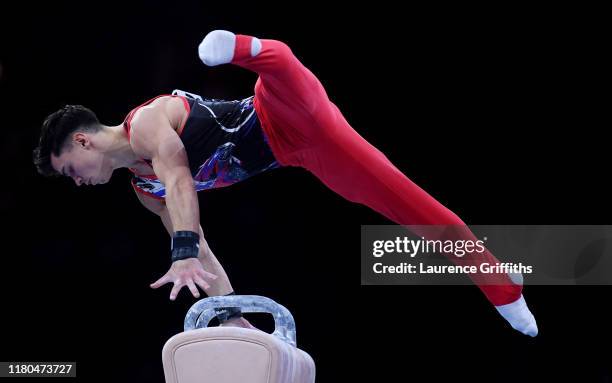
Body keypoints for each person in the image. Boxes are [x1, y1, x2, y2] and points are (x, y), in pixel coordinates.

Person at [33, 30, 537, 336]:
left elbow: (181, 178)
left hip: (282, 111)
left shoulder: (143, 123)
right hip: (301, 153)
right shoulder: (145, 193)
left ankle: (243, 48)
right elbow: (200, 252)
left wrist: (181, 246)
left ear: (82, 143)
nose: (75, 183)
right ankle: (506, 288)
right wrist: (231, 315)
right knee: (411, 209)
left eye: (68, 172)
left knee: (277, 67)